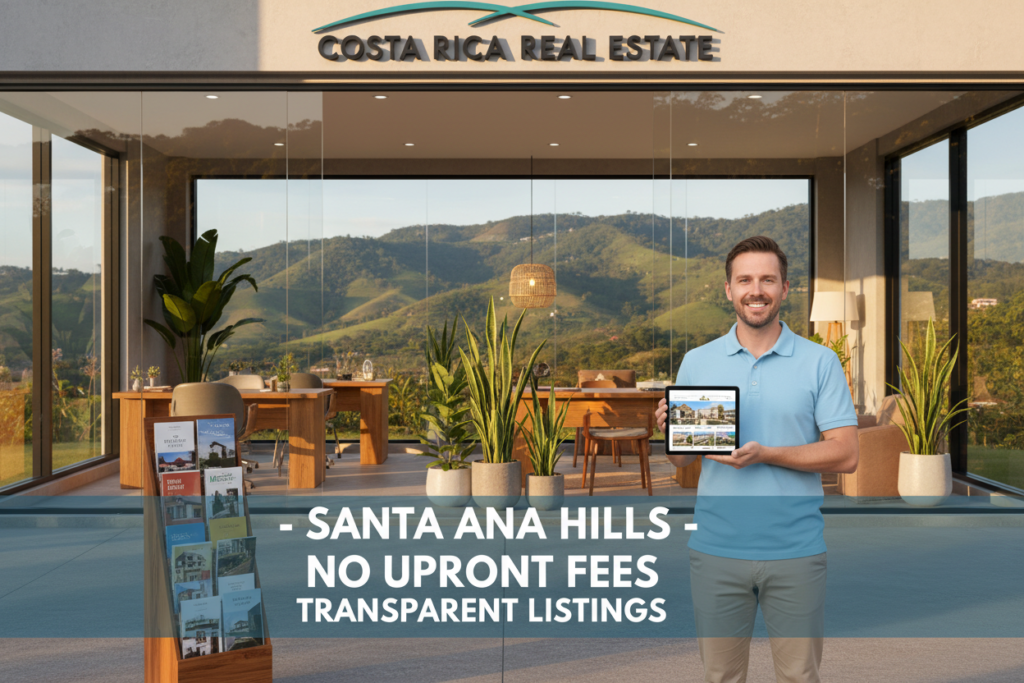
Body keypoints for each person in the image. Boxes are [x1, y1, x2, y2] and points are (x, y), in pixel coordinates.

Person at [656, 235, 859, 683]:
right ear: (728, 289)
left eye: (768, 279)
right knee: (720, 678)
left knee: (799, 677)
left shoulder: (819, 362)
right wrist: (670, 429)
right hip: (715, 550)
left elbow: (846, 453)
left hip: (797, 551)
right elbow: (679, 462)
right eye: (745, 279)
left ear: (785, 288)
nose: (756, 289)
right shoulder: (697, 361)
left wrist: (767, 454)